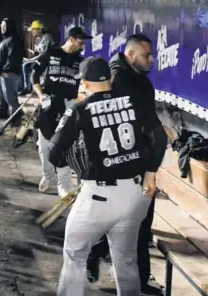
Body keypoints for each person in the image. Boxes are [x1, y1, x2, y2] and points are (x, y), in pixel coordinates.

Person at [48, 56, 167, 296]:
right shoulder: (134, 100)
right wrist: (151, 172)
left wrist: (73, 164)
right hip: (135, 195)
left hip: (98, 197)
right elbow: (160, 137)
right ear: (110, 78)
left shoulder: (80, 109)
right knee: (125, 260)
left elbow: (54, 152)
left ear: (84, 82)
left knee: (75, 255)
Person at [86, 33, 167, 296]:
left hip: (137, 163)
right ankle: (134, 280)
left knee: (135, 224)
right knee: (136, 225)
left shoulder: (131, 76)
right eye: (147, 55)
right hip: (130, 166)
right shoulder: (119, 79)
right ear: (131, 55)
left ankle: (134, 276)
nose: (152, 60)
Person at [31, 26, 90, 197]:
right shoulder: (51, 53)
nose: (83, 44)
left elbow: (85, 85)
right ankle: (47, 175)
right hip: (49, 102)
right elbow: (34, 73)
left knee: (65, 143)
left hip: (69, 104)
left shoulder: (80, 61)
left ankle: (63, 184)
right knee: (44, 145)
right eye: (81, 40)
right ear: (71, 38)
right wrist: (41, 96)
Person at [0, 17, 24, 124]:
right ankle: (13, 120)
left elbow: (13, 58)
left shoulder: (13, 40)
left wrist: (6, 70)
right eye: (1, 26)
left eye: (4, 26)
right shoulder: (6, 40)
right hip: (6, 74)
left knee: (11, 98)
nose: (2, 28)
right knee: (9, 98)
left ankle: (15, 121)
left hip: (9, 74)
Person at [19, 20, 56, 96]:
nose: (32, 31)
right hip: (42, 61)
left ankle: (30, 89)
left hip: (49, 62)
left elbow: (44, 55)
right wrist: (31, 56)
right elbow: (38, 52)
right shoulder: (39, 39)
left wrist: (31, 59)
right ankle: (27, 88)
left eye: (34, 29)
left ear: (39, 30)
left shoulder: (47, 37)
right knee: (25, 65)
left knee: (26, 66)